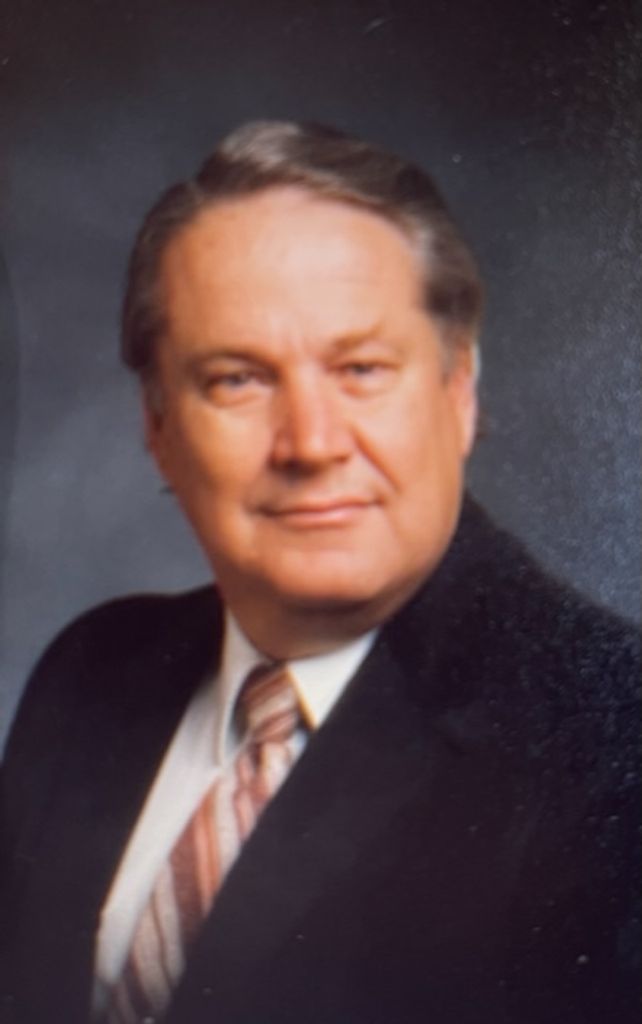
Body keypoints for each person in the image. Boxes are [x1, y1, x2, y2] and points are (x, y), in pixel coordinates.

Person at [1, 121, 639, 1024]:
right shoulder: (89, 673)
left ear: (459, 392)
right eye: (238, 379)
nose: (311, 442)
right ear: (158, 425)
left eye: (362, 368)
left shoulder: (610, 739)